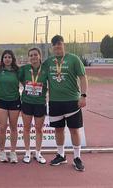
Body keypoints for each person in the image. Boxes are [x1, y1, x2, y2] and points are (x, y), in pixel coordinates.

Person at [45, 35, 88, 171]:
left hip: (72, 101)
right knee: (58, 130)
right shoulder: (48, 62)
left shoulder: (73, 59)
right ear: (52, 47)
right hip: (55, 102)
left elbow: (83, 77)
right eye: (54, 45)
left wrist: (83, 96)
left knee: (74, 130)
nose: (57, 46)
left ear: (64, 45)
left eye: (59, 44)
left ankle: (77, 157)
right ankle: (61, 155)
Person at [19, 48, 48, 164]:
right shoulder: (25, 69)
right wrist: (29, 87)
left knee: (39, 129)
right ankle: (27, 152)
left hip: (40, 103)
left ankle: (38, 152)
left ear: (40, 56)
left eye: (35, 55)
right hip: (27, 102)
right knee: (26, 128)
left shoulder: (45, 69)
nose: (33, 57)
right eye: (31, 55)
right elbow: (21, 80)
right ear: (28, 57)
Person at [0, 50, 20, 163]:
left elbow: (25, 82)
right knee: (2, 127)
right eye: (5, 57)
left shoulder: (18, 71)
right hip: (0, 101)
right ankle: (2, 152)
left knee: (13, 127)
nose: (7, 59)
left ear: (12, 59)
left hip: (14, 101)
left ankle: (13, 152)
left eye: (9, 57)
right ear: (2, 59)